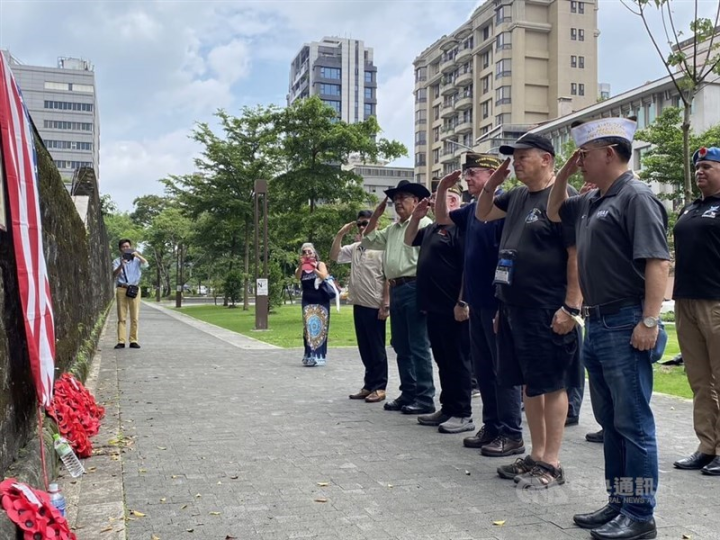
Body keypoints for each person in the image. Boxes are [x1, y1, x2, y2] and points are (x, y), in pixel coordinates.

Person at [548, 117, 670, 540]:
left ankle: (640, 514)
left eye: (585, 154)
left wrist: (649, 320)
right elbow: (553, 209)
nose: (580, 162)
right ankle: (620, 501)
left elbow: (657, 261)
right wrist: (564, 169)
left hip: (625, 321)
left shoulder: (635, 197)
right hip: (597, 322)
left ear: (610, 153)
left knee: (633, 423)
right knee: (612, 421)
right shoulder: (594, 199)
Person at [476, 133, 583, 489]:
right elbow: (483, 212)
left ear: (548, 160)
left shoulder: (562, 200)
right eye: (514, 157)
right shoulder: (518, 195)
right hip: (512, 306)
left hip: (546, 308)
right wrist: (492, 184)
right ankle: (536, 455)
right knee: (528, 385)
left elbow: (575, 256)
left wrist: (571, 307)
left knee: (552, 384)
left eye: (524, 156)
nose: (516, 162)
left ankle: (552, 462)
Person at [434, 154, 524, 455]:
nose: (467, 179)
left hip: (497, 302)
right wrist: (444, 189)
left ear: (492, 174)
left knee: (503, 371)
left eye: (473, 173)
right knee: (484, 370)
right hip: (477, 302)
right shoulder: (473, 210)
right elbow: (443, 218)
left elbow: (508, 256)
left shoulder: (502, 207)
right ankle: (492, 425)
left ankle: (511, 433)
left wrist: (503, 302)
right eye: (466, 174)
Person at [404, 186, 474, 434]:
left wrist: (462, 301)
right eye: (437, 200)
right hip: (432, 306)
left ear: (457, 203)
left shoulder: (462, 228)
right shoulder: (432, 228)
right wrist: (416, 216)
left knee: (458, 360)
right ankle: (448, 407)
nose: (440, 203)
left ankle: (463, 413)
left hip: (453, 306)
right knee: (442, 359)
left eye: (448, 199)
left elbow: (468, 268)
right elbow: (409, 239)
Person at [362, 180, 435, 415]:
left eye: (404, 197)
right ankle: (409, 392)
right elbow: (367, 239)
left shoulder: (424, 224)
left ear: (416, 201)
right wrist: (376, 215)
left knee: (418, 345)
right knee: (401, 345)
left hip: (415, 286)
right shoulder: (393, 229)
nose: (398, 202)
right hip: (396, 288)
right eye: (396, 199)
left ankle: (425, 396)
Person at [672, 146, 720, 476]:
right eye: (697, 167)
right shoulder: (691, 208)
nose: (699, 171)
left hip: (715, 302)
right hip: (686, 301)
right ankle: (707, 446)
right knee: (700, 381)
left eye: (707, 166)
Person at [330, 211, 390, 403]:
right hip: (359, 302)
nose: (363, 228)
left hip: (375, 304)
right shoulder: (356, 248)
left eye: (367, 223)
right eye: (360, 224)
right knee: (365, 347)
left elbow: (388, 276)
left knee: (377, 347)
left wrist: (385, 304)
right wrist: (340, 234)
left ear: (376, 224)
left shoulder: (382, 248)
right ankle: (369, 384)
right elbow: (334, 256)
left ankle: (380, 387)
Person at [295, 243, 331, 367]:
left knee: (321, 328)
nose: (307, 254)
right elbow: (297, 277)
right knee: (308, 327)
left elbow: (324, 276)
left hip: (321, 301)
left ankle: (319, 356)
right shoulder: (302, 267)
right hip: (307, 300)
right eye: (304, 252)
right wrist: (302, 266)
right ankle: (309, 355)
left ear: (314, 253)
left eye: (310, 252)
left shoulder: (320, 264)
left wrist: (314, 267)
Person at [112, 239, 147, 349]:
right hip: (122, 288)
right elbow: (114, 274)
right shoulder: (117, 261)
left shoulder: (137, 260)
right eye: (123, 247)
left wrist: (138, 255)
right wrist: (121, 265)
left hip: (134, 289)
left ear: (131, 247)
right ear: (120, 249)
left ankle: (133, 340)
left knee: (134, 316)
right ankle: (121, 341)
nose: (126, 249)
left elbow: (146, 265)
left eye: (127, 246)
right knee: (122, 317)